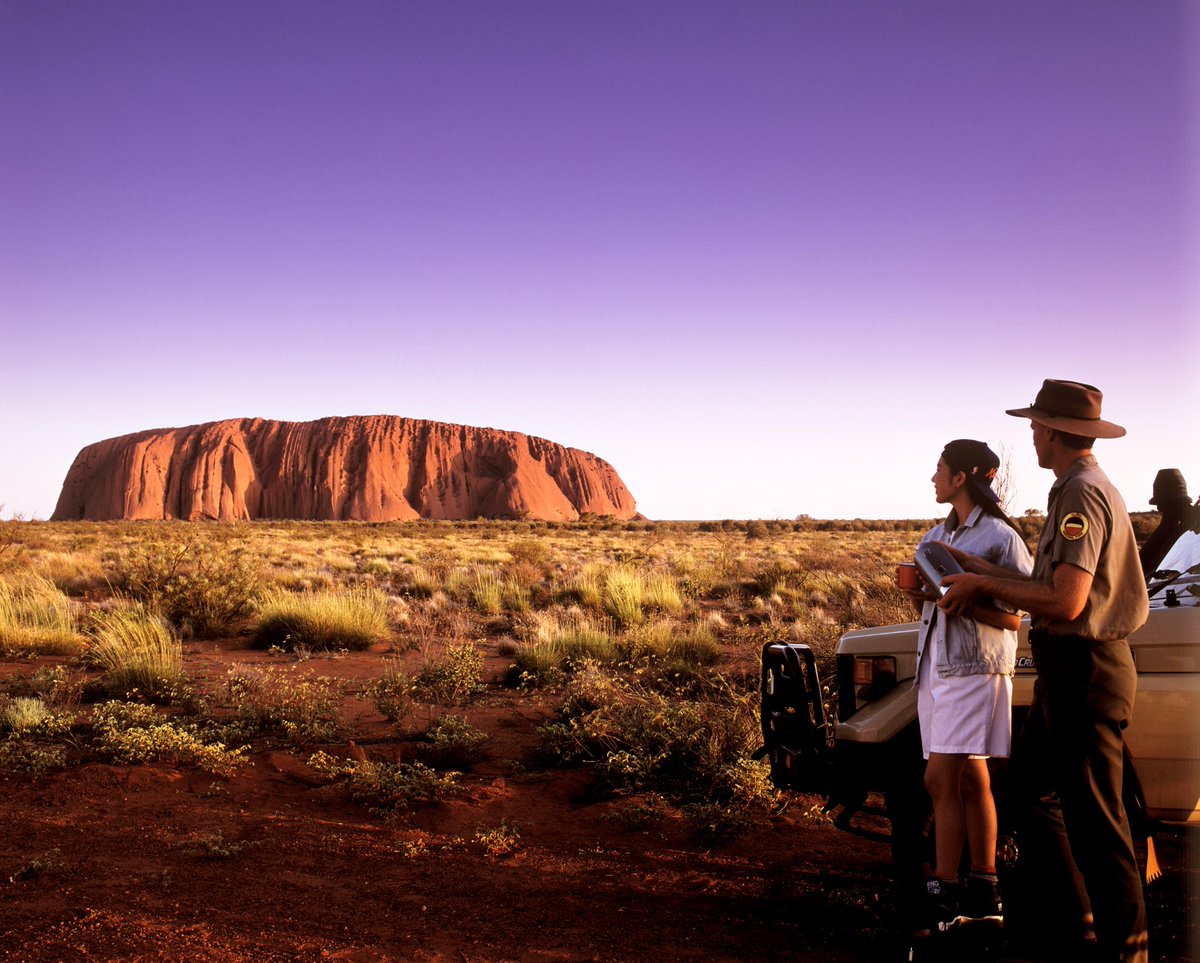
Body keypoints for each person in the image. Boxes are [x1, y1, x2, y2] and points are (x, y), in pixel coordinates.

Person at [938, 379, 1150, 963]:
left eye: (1035, 426)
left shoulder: (1081, 494)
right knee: (1030, 793)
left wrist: (978, 585)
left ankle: (1127, 953)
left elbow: (1067, 602)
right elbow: (1048, 585)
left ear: (1055, 431)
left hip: (1085, 673)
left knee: (1099, 829)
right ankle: (1075, 927)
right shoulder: (1075, 488)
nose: (1031, 435)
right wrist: (976, 567)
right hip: (1066, 674)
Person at [900, 440, 1032, 939]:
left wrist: (968, 604)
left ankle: (944, 893)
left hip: (975, 671)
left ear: (961, 477)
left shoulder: (1001, 538)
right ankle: (984, 890)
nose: (933, 477)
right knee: (972, 779)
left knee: (939, 780)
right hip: (937, 666)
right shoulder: (936, 536)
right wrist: (920, 595)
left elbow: (1017, 618)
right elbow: (936, 603)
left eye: (939, 469)